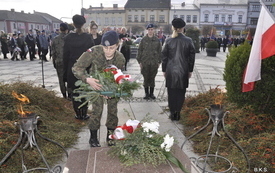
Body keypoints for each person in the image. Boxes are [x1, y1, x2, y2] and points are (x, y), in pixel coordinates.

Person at [72, 30, 125, 147]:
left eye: (112, 48)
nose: (108, 51)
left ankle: (110, 136)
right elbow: (76, 68)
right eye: (105, 48)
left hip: (111, 87)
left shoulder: (120, 58)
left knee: (113, 111)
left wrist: (112, 89)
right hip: (95, 85)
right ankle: (93, 138)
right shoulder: (93, 52)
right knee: (97, 111)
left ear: (118, 45)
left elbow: (118, 76)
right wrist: (87, 79)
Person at [161, 18, 195, 121]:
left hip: (170, 69)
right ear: (183, 28)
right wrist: (190, 70)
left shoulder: (168, 40)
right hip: (183, 70)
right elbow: (191, 57)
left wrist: (164, 69)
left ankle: (172, 113)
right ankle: (177, 113)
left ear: (173, 28)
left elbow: (164, 57)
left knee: (171, 93)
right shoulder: (188, 41)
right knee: (181, 92)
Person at [63, 14, 94, 120]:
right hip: (84, 69)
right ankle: (84, 113)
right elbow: (92, 54)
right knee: (84, 91)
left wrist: (65, 73)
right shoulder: (88, 37)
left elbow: (65, 56)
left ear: (74, 24)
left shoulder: (68, 38)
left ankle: (78, 114)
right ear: (83, 24)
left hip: (72, 69)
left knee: (75, 92)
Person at [136, 23, 162, 100]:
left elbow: (160, 51)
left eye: (152, 29)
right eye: (149, 30)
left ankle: (151, 93)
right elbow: (139, 50)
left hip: (154, 62)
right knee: (146, 78)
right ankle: (146, 93)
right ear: (147, 30)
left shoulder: (157, 40)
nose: (150, 31)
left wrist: (159, 62)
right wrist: (139, 61)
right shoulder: (143, 40)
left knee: (152, 78)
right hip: (145, 62)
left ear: (154, 30)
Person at [52, 23, 69, 99]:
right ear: (67, 30)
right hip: (68, 62)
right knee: (69, 79)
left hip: (59, 62)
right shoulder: (69, 38)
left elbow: (53, 52)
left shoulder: (55, 39)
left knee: (61, 80)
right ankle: (70, 95)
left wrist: (54, 62)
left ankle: (64, 95)